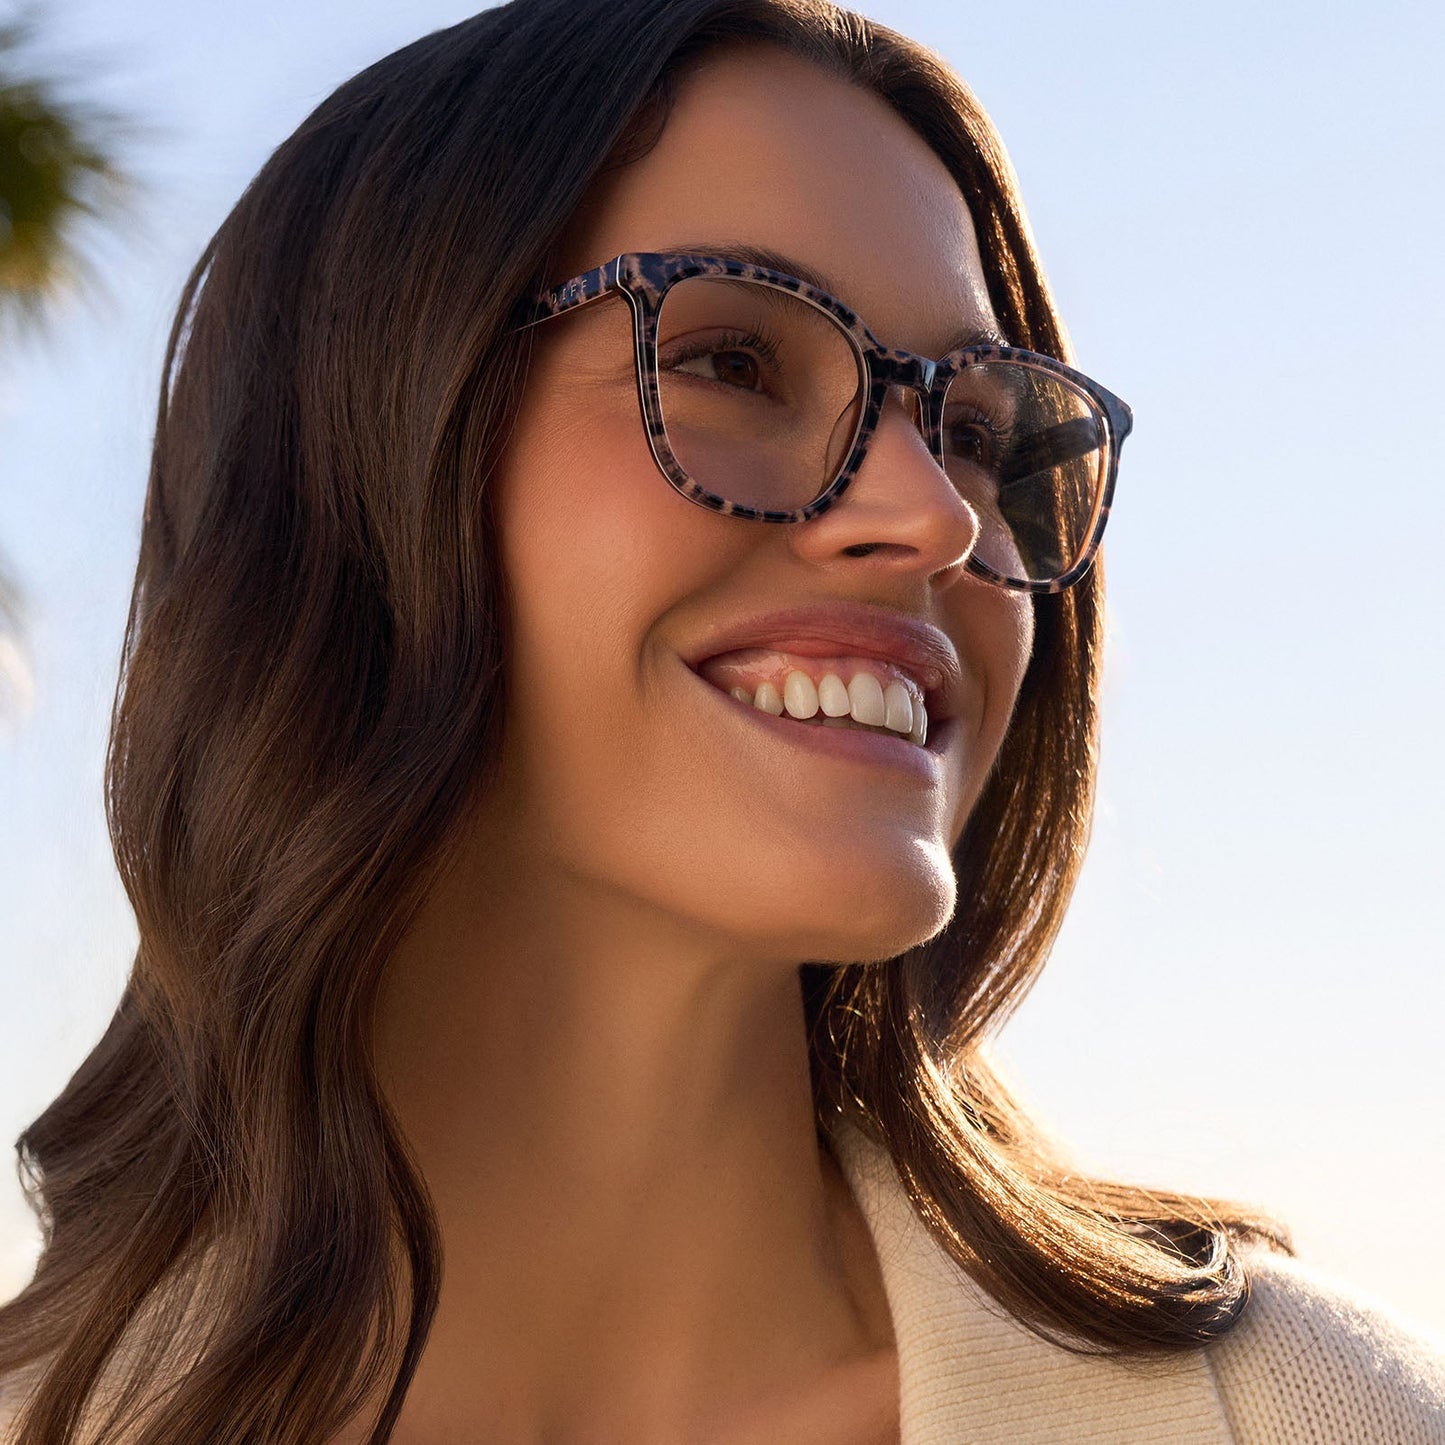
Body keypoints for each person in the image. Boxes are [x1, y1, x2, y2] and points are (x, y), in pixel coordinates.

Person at [2, 1, 1443, 1441]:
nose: (935, 515)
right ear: (360, 451)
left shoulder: (1291, 1416)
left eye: (974, 433)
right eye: (733, 362)